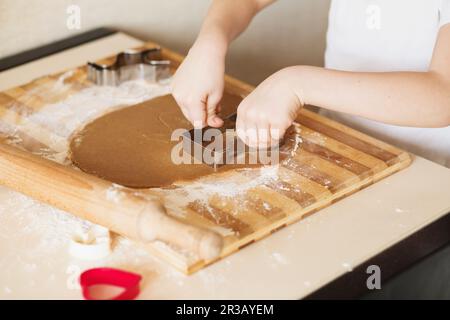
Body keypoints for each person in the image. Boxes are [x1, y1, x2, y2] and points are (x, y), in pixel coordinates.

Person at [171, 0, 450, 167]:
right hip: (342, 143)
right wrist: (210, 40)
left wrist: (297, 84)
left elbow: (443, 95)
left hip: (429, 170)